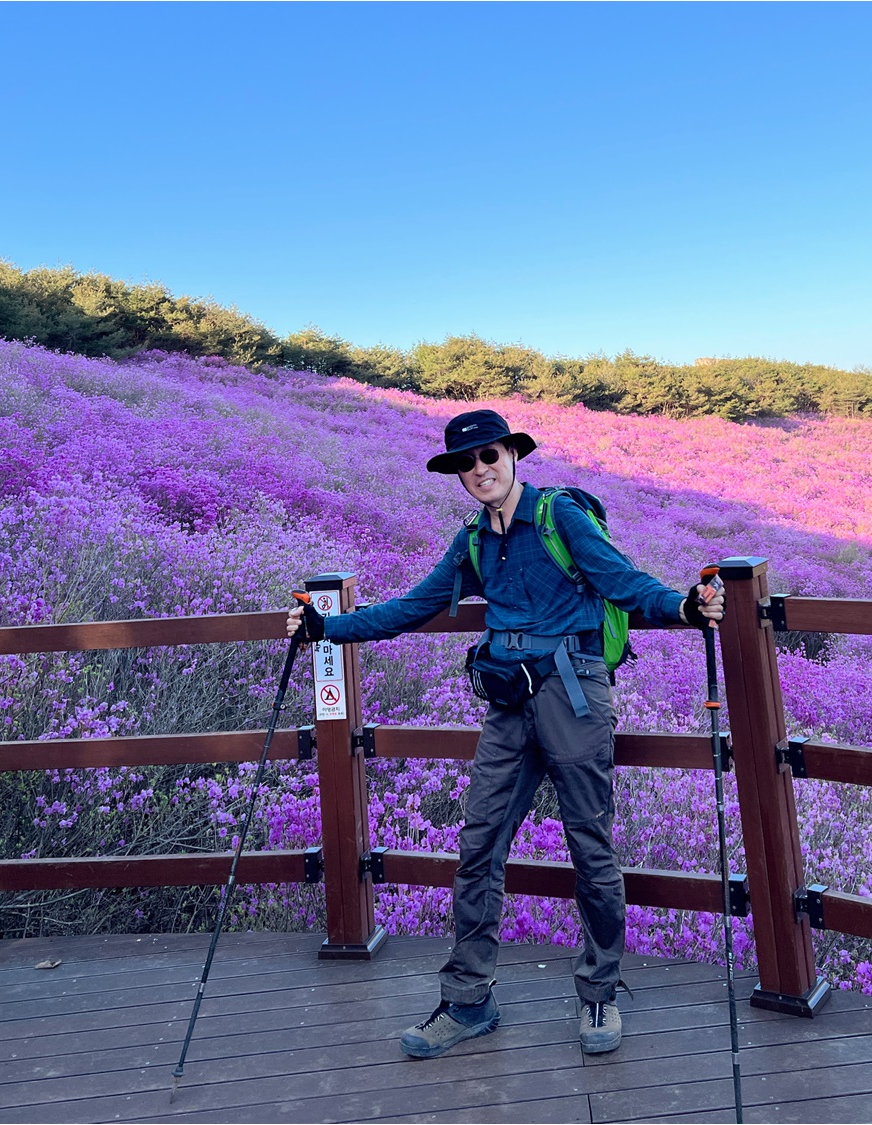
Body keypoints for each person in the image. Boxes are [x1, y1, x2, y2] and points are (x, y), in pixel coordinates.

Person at [285, 408, 725, 1058]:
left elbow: (623, 582)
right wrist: (329, 629)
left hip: (575, 694)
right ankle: (468, 1000)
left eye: (489, 455)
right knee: (478, 845)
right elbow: (412, 607)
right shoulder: (472, 541)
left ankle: (599, 990)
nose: (479, 469)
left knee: (590, 847)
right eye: (466, 463)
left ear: (513, 455)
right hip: (509, 701)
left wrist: (684, 606)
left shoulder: (559, 517)